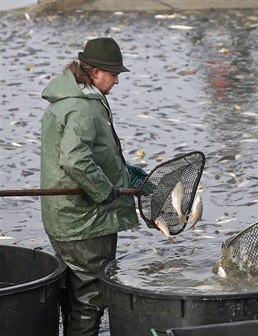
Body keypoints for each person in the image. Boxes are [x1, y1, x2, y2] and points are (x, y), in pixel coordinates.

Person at [40, 37, 147, 335]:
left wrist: (124, 173)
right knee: (91, 298)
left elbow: (95, 153)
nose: (117, 81)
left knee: (73, 293)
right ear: (96, 71)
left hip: (62, 217)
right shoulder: (82, 108)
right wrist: (105, 191)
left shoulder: (70, 99)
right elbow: (75, 160)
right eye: (114, 74)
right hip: (85, 221)